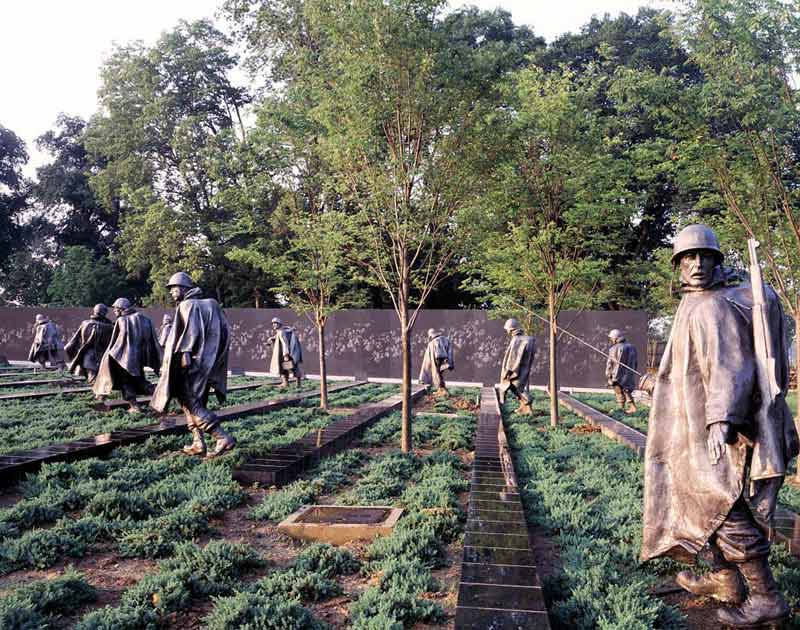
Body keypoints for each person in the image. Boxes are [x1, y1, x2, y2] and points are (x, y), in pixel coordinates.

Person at [641, 224, 799, 627]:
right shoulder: (700, 301)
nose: (696, 264)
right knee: (703, 499)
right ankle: (725, 581)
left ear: (716, 261)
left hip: (722, 428)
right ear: (677, 266)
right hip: (701, 423)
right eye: (688, 258)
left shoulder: (712, 306)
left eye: (704, 257)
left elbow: (730, 365)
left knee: (722, 503)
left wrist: (719, 420)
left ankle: (766, 599)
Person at [151, 272, 234, 458]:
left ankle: (221, 437)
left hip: (190, 364)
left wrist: (186, 354)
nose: (172, 293)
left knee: (191, 402)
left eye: (173, 288)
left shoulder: (187, 305)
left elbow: (190, 332)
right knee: (192, 403)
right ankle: (198, 442)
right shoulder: (212, 304)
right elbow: (225, 332)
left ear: (183, 288)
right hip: (208, 364)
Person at [93, 298, 162, 412]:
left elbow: (115, 343)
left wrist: (108, 357)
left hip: (124, 358)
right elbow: (152, 340)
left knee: (126, 382)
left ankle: (135, 406)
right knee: (140, 380)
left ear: (121, 309)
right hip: (139, 357)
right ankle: (161, 396)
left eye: (115, 309)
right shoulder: (144, 319)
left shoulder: (122, 321)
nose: (114, 311)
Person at [64, 304, 113, 384]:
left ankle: (98, 394)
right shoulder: (109, 327)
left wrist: (69, 350)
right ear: (104, 313)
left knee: (94, 378)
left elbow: (74, 340)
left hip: (86, 356)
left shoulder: (85, 323)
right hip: (101, 357)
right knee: (95, 380)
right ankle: (99, 395)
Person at [499, 318, 536, 414]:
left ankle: (528, 400)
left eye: (507, 329)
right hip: (524, 368)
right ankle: (523, 407)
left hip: (516, 369)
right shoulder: (526, 339)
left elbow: (512, 358)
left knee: (513, 386)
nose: (506, 331)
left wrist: (508, 371)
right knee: (516, 387)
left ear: (511, 329)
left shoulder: (516, 340)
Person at [605, 328, 638, 414]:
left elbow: (610, 364)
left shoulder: (613, 349)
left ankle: (624, 408)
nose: (611, 340)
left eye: (611, 338)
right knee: (626, 390)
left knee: (619, 391)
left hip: (617, 374)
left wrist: (609, 375)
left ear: (615, 338)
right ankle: (628, 407)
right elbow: (635, 362)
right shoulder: (632, 347)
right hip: (629, 373)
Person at [268, 317, 303, 388]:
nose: (274, 325)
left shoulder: (281, 332)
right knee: (284, 368)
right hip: (286, 354)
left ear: (279, 324)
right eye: (273, 324)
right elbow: (278, 336)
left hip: (286, 355)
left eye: (275, 323)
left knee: (291, 368)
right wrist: (272, 338)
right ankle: (286, 383)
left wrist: (285, 355)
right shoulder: (282, 331)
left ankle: (296, 384)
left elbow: (285, 343)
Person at [418, 328, 455, 395]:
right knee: (439, 374)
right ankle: (441, 389)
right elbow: (449, 351)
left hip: (437, 359)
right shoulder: (445, 339)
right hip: (445, 359)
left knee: (436, 373)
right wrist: (449, 361)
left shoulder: (434, 342)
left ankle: (441, 390)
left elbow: (435, 354)